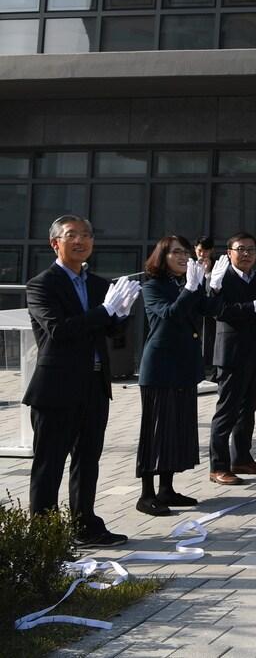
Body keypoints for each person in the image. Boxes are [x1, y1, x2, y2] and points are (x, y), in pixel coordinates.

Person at [24, 215, 140, 546]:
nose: (81, 241)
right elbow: (59, 331)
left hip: (94, 384)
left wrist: (122, 314)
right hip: (56, 388)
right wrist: (105, 312)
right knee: (50, 463)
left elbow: (110, 332)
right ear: (55, 243)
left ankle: (84, 524)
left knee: (88, 460)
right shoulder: (42, 284)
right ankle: (43, 536)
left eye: (87, 235)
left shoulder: (98, 284)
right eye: (72, 235)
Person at [135, 235, 224, 515]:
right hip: (160, 368)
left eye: (185, 252)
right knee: (156, 431)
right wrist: (190, 288)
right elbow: (171, 314)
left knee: (176, 429)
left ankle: (167, 489)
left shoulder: (187, 283)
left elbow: (210, 309)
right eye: (176, 252)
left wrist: (214, 286)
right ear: (162, 257)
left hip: (183, 366)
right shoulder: (153, 286)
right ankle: (146, 494)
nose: (183, 257)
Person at [208, 232, 256, 485]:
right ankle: (218, 466)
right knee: (226, 411)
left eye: (251, 249)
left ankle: (242, 458)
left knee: (248, 410)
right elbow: (220, 312)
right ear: (229, 253)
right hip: (232, 353)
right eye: (241, 249)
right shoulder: (221, 281)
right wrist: (254, 307)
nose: (247, 254)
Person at [194, 234, 218, 374]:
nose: (203, 254)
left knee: (210, 342)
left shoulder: (217, 266)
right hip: (194, 312)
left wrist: (208, 273)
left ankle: (211, 371)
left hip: (210, 314)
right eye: (200, 251)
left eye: (206, 251)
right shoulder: (190, 265)